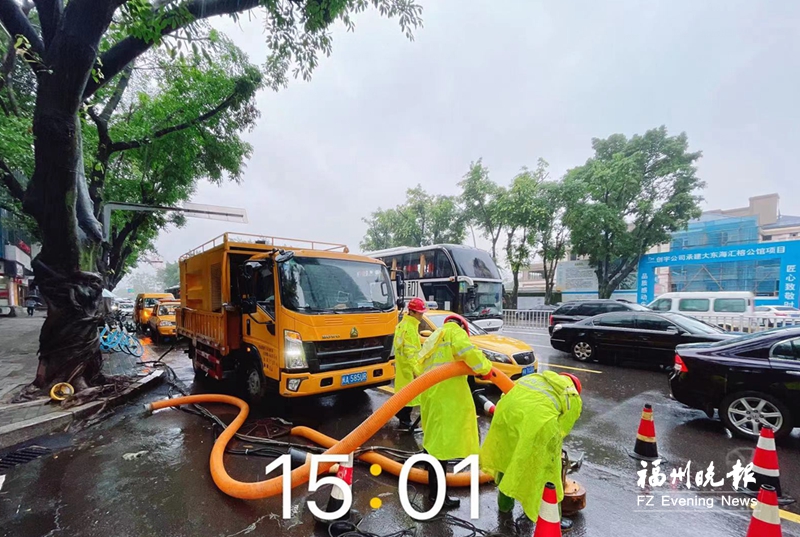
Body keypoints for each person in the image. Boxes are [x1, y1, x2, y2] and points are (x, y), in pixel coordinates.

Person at [480, 371, 583, 528]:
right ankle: (552, 518)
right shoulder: (573, 395)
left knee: (508, 461)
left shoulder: (536, 378)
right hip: (537, 424)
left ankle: (504, 509)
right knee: (547, 473)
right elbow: (562, 429)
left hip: (507, 416)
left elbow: (508, 393)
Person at [415, 314, 493, 509]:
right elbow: (470, 353)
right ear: (462, 327)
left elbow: (418, 365)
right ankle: (438, 498)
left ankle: (431, 482)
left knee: (433, 442)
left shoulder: (435, 336)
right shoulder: (454, 333)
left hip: (431, 395)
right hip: (447, 398)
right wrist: (485, 368)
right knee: (441, 450)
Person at [392, 298, 427, 429]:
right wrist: (416, 370)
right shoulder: (410, 328)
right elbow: (410, 352)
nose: (421, 316)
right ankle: (404, 420)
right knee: (409, 396)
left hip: (404, 367)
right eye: (420, 313)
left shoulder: (404, 325)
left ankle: (403, 417)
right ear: (412, 312)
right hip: (409, 368)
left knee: (404, 394)